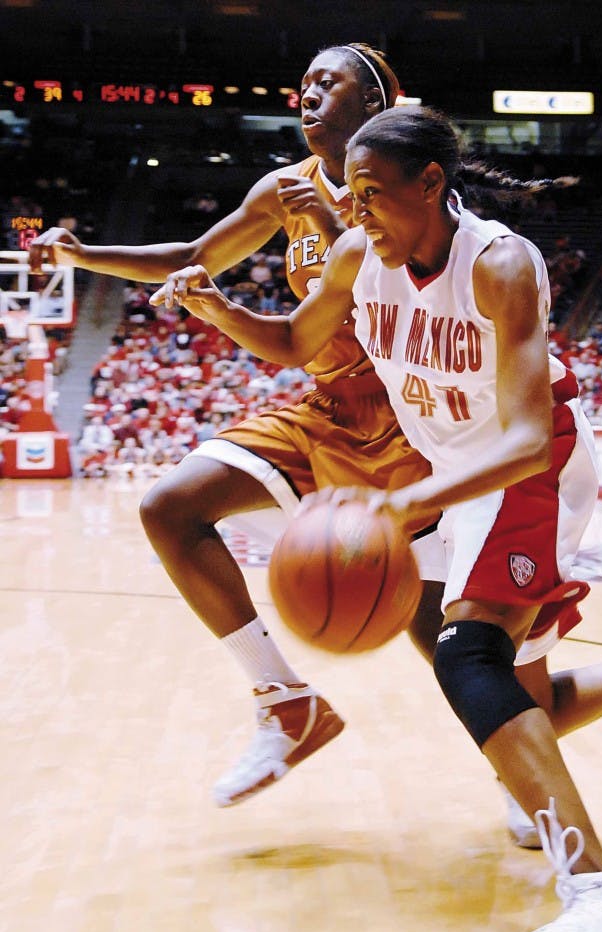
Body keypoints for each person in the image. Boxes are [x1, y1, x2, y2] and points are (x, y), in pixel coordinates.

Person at [150, 105, 602, 932]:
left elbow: (521, 438)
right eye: (347, 196)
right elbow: (293, 344)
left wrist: (400, 506)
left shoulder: (502, 264)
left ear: (430, 184)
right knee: (514, 696)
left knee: (468, 655)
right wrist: (217, 304)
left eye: (371, 193)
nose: (352, 212)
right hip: (454, 478)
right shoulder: (360, 255)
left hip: (532, 467)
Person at [30, 42, 449, 809]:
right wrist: (84, 252)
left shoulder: (404, 186)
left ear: (376, 104)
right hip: (325, 407)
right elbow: (194, 254)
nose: (308, 93)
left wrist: (329, 220)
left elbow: (424, 292)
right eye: (304, 83)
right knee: (170, 507)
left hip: (407, 417)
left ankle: (550, 748)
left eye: (329, 82)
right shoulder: (282, 187)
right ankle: (285, 702)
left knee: (444, 645)